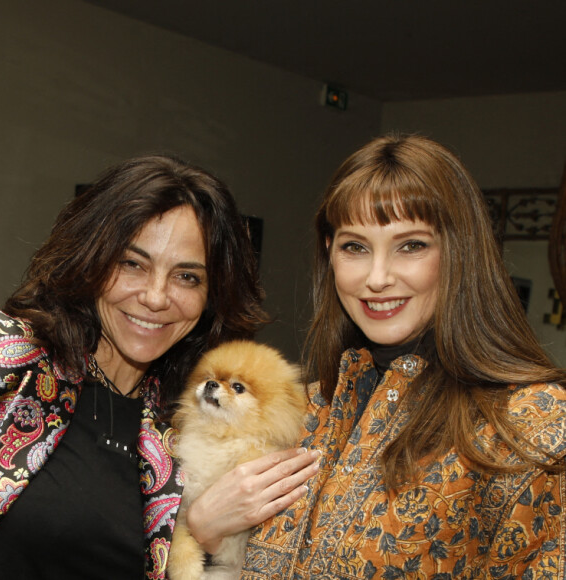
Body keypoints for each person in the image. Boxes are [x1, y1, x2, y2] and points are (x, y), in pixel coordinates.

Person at [241, 134, 566, 578]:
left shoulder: (528, 426)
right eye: (355, 246)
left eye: (411, 245)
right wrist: (200, 527)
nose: (377, 278)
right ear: (329, 255)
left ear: (459, 252)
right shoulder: (297, 410)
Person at [0, 154, 318, 580]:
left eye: (187, 277)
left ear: (211, 298)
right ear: (91, 259)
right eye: (132, 264)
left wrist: (204, 531)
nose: (157, 297)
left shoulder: (185, 428)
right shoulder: (4, 354)